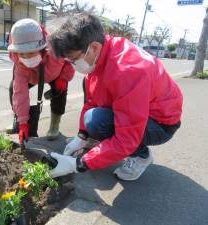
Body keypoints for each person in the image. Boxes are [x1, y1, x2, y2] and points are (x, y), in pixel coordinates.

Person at [47, 13, 183, 181]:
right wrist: (82, 136)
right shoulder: (101, 54)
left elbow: (127, 138)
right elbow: (92, 101)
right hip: (140, 111)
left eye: (73, 59)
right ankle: (100, 144)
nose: (72, 65)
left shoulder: (128, 71)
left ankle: (141, 156)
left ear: (94, 47)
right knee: (92, 120)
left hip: (160, 123)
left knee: (97, 122)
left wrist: (79, 164)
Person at [7, 18, 75, 144]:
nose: (26, 57)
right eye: (22, 53)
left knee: (60, 92)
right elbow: (20, 93)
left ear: (41, 47)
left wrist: (63, 78)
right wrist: (23, 122)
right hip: (32, 77)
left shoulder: (56, 50)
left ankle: (55, 124)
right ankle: (18, 120)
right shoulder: (20, 64)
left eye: (31, 52)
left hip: (55, 75)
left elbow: (69, 63)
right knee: (13, 89)